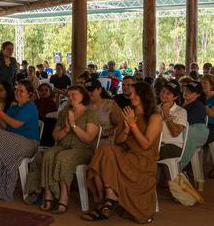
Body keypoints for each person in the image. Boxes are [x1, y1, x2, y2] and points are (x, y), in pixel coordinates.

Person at [82, 82, 162, 223]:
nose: (131, 96)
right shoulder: (129, 112)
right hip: (127, 153)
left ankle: (108, 199)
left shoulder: (154, 117)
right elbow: (119, 141)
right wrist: (126, 128)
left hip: (143, 159)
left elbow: (145, 144)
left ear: (145, 96)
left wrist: (133, 125)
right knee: (104, 149)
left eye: (136, 94)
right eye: (132, 93)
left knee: (105, 152)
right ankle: (110, 196)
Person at [25, 85, 99, 213]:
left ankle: (63, 197)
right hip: (62, 146)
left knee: (62, 158)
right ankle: (48, 195)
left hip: (83, 149)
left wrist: (73, 125)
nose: (70, 97)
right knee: (48, 154)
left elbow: (89, 139)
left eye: (74, 94)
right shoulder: (63, 113)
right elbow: (55, 135)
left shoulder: (90, 114)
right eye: (69, 95)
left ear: (83, 96)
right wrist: (65, 129)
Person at [179, 81, 209, 185]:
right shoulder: (179, 102)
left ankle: (179, 167)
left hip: (198, 131)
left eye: (190, 92)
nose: (186, 92)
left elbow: (187, 121)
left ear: (197, 95)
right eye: (186, 90)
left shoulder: (198, 105)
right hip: (183, 130)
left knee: (188, 135)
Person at [157, 80, 187, 161]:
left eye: (168, 94)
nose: (164, 95)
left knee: (147, 154)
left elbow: (175, 133)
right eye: (163, 91)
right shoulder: (155, 108)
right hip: (156, 144)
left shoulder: (181, 111)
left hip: (173, 146)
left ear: (175, 97)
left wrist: (166, 114)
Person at [202, 74, 214, 146]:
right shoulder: (200, 96)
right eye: (201, 83)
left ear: (212, 85)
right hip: (201, 125)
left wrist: (202, 105)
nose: (202, 85)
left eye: (205, 83)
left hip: (212, 126)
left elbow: (212, 114)